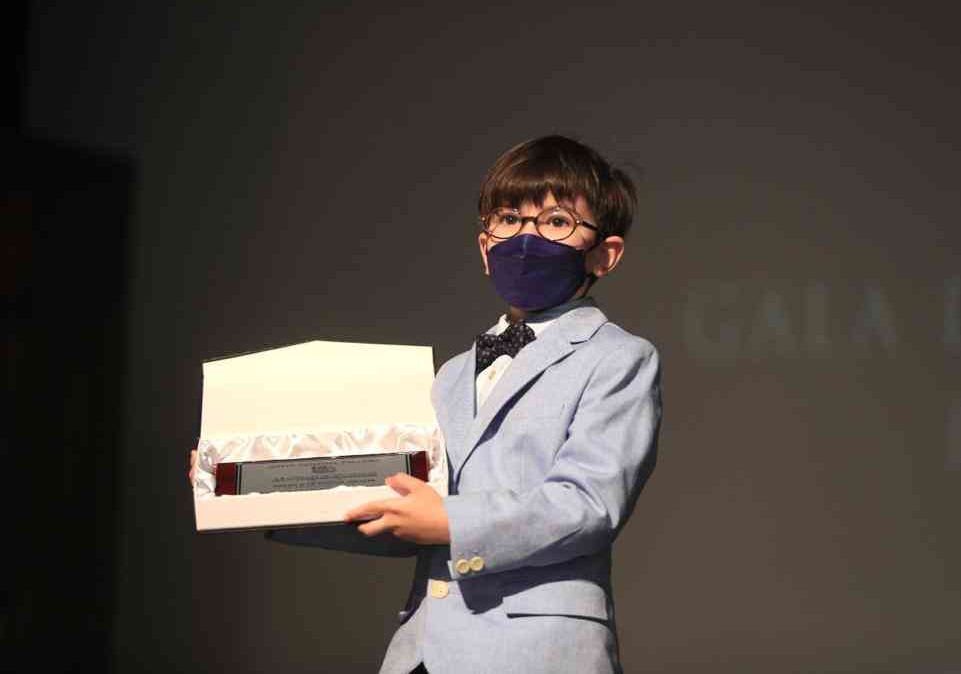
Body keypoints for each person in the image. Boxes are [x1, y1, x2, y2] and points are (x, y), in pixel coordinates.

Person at [189, 134, 662, 673]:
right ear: (485, 247)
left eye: (556, 221)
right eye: (508, 219)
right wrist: (252, 493)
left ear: (605, 254)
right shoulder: (453, 373)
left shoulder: (619, 358)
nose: (526, 237)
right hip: (420, 653)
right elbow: (403, 510)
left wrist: (450, 521)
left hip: (539, 654)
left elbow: (587, 504)